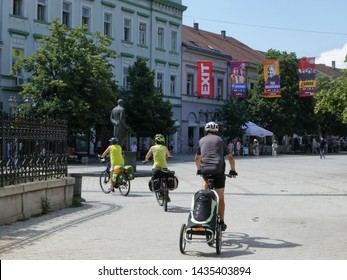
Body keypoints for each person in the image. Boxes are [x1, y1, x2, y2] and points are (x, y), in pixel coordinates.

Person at [195, 121, 237, 231]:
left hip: (205, 170)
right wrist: (233, 170)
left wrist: (199, 169)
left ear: (206, 131)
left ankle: (204, 198)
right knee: (221, 197)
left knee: (205, 182)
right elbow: (230, 157)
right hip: (218, 170)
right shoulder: (219, 140)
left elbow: (197, 158)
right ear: (216, 131)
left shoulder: (201, 140)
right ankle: (221, 222)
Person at [143, 134, 172, 200]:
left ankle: (158, 191)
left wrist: (146, 161)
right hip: (164, 167)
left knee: (155, 179)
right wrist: (166, 158)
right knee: (166, 180)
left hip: (156, 168)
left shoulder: (152, 148)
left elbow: (147, 156)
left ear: (155, 141)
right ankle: (167, 195)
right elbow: (169, 156)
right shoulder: (165, 148)